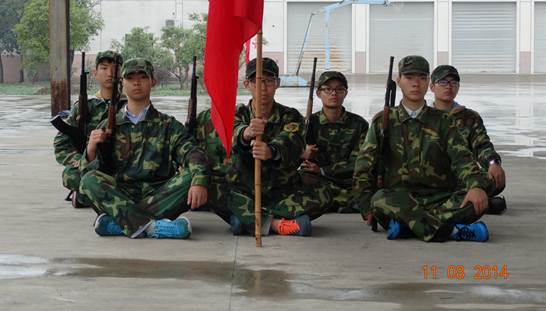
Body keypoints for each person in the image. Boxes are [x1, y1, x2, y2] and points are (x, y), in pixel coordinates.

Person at [353, 55, 490, 242]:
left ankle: (407, 227)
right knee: (379, 200)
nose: (416, 83)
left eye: (422, 78)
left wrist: (475, 186)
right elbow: (364, 167)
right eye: (409, 78)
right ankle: (451, 232)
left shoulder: (443, 121)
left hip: (439, 198)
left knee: (475, 201)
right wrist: (366, 207)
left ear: (428, 83)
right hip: (397, 199)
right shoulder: (383, 121)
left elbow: (462, 159)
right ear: (399, 82)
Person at [78, 58, 209, 239]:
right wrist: (91, 149)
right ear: (122, 84)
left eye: (142, 77)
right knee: (88, 180)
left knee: (191, 176)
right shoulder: (108, 125)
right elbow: (85, 178)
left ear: (153, 82)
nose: (136, 82)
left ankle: (121, 223)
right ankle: (153, 227)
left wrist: (199, 180)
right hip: (121, 194)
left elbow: (192, 153)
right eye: (130, 78)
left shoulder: (168, 124)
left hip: (160, 196)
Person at [207, 58, 333, 237]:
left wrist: (271, 151)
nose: (263, 87)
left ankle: (246, 217)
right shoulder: (238, 113)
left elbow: (293, 141)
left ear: (277, 83)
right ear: (246, 85)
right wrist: (246, 133)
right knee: (208, 185)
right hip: (241, 190)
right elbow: (230, 137)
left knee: (324, 194)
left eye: (269, 81)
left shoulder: (290, 115)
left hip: (280, 192)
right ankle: (274, 224)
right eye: (256, 81)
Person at [429, 65, 507, 214]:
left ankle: (456, 200)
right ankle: (479, 203)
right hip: (429, 179)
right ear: (432, 87)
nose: (448, 87)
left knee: (494, 179)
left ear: (458, 87)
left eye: (453, 83)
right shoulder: (424, 116)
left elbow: (482, 145)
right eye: (443, 82)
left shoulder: (470, 117)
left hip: (462, 178)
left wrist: (493, 162)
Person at [54, 50, 126, 207]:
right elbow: (61, 143)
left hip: (123, 168)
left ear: (122, 73)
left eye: (115, 68)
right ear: (95, 73)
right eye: (104, 68)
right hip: (92, 166)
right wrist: (78, 160)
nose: (110, 73)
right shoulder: (84, 107)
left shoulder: (130, 105)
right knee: (70, 175)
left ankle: (88, 196)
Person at [299, 71, 369, 213]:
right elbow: (293, 159)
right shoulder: (308, 124)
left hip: (350, 180)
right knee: (301, 178)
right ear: (319, 94)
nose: (334, 93)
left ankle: (330, 200)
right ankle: (351, 201)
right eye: (328, 89)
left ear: (345, 93)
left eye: (339, 89)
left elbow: (359, 161)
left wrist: (323, 170)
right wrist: (302, 152)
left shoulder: (359, 124)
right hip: (319, 180)